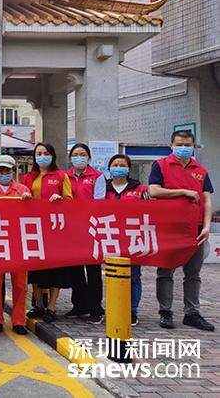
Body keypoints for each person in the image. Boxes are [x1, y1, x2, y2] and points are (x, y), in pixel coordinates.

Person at [149, 130, 214, 331]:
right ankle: (165, 311)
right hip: (168, 229)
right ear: (171, 146)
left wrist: (207, 226)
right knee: (165, 271)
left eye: (187, 144)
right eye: (179, 144)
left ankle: (192, 313)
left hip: (195, 230)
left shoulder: (201, 171)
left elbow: (207, 201)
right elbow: (153, 190)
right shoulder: (160, 165)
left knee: (193, 273)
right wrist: (184, 192)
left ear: (193, 146)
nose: (183, 148)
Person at [22, 143, 72, 323]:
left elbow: (69, 200)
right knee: (35, 269)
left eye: (46, 153)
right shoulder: (28, 177)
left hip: (54, 229)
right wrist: (24, 198)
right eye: (39, 153)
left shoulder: (61, 176)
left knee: (55, 269)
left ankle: (51, 306)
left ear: (52, 156)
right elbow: (21, 199)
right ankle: (39, 305)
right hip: (33, 229)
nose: (42, 156)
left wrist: (60, 199)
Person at [0, 155, 31, 335]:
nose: (3, 173)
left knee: (20, 284)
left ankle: (19, 320)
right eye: (0, 170)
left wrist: (29, 202)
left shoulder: (23, 190)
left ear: (13, 171)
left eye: (7, 170)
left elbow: (32, 215)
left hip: (18, 242)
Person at [103, 154, 149, 326]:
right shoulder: (103, 189)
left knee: (134, 276)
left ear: (128, 169)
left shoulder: (140, 189)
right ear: (109, 168)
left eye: (122, 165)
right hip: (110, 237)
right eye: (115, 165)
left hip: (133, 237)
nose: (118, 168)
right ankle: (114, 308)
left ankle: (132, 310)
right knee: (113, 275)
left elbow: (150, 210)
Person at [65, 143, 106, 325]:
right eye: (75, 154)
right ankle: (79, 305)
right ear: (70, 158)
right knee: (75, 269)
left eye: (82, 154)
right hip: (72, 229)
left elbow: (99, 202)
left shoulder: (97, 176)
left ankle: (95, 308)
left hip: (91, 228)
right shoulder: (65, 176)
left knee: (93, 270)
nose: (79, 157)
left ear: (89, 158)